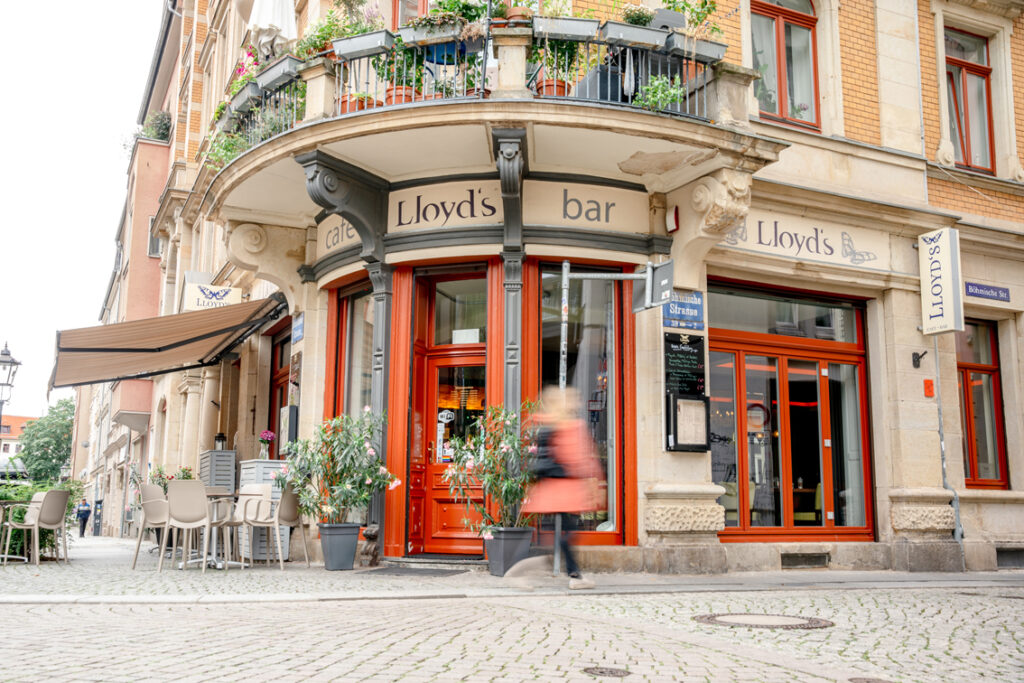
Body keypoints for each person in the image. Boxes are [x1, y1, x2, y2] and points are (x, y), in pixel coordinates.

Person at [521, 386, 605, 590]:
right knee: (569, 532)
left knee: (563, 533)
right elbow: (578, 458)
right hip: (567, 488)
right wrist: (596, 481)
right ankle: (524, 570)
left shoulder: (546, 423)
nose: (577, 402)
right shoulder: (571, 425)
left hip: (551, 488)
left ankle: (572, 574)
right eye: (574, 399)